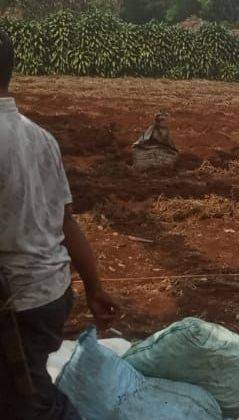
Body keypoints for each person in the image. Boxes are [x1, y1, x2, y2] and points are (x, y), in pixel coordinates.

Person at [0, 30, 118, 419]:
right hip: (51, 297)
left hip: (15, 308)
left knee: (28, 403)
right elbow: (66, 222)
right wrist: (95, 289)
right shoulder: (41, 138)